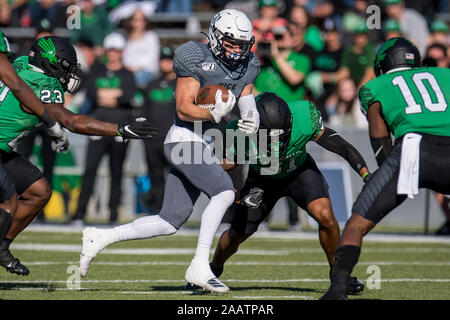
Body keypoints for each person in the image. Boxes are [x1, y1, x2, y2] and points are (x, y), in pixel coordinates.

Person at [78, 9, 261, 293]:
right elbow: (184, 107)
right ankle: (200, 265)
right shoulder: (194, 56)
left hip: (206, 143)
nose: (238, 50)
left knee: (169, 221)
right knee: (225, 191)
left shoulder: (248, 64)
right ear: (214, 36)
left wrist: (252, 116)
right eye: (231, 42)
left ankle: (99, 237)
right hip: (183, 139)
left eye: (242, 44)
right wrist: (213, 112)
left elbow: (247, 96)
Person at [0, 36, 157, 276]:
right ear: (51, 63)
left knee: (38, 191)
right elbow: (73, 121)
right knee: (8, 203)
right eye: (65, 67)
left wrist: (55, 133)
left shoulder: (20, 62)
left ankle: (2, 245)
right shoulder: (44, 85)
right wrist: (120, 129)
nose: (68, 75)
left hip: (4, 149)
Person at [321, 37, 450, 300]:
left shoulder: (374, 87)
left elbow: (381, 142)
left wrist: (385, 179)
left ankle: (338, 288)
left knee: (356, 224)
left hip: (414, 150)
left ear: (382, 65)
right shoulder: (444, 75)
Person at [209, 92, 369, 294]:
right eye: (271, 136)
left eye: (282, 134)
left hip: (299, 172)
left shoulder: (303, 115)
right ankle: (212, 270)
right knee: (236, 235)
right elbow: (216, 172)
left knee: (326, 216)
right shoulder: (239, 132)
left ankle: (340, 276)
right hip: (262, 181)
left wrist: (365, 174)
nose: (278, 141)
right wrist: (237, 195)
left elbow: (339, 145)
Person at [70, 32, 137, 226]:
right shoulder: (97, 71)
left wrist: (108, 96)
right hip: (97, 129)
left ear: (122, 51)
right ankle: (79, 214)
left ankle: (113, 214)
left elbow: (127, 96)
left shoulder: (127, 73)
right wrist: (114, 95)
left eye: (116, 50)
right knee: (89, 171)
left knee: (117, 172)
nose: (113, 54)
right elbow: (92, 93)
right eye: (111, 50)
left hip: (119, 129)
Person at [140, 46, 176, 213]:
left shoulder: (181, 84)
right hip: (153, 139)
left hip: (174, 139)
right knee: (155, 178)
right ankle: (157, 212)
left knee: (176, 179)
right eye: (164, 60)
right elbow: (144, 111)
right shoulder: (151, 85)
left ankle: (174, 212)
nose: (166, 63)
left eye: (169, 60)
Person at [254, 24, 311, 102]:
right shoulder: (265, 61)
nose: (277, 39)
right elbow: (255, 89)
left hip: (291, 110)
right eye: (274, 36)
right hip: (267, 110)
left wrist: (276, 55)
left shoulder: (302, 59)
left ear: (292, 40)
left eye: (280, 36)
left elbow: (294, 79)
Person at [122, 9, 160, 88]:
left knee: (135, 78)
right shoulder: (126, 38)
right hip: (129, 72)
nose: (138, 23)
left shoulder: (151, 37)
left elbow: (151, 61)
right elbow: (125, 60)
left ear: (145, 22)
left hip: (147, 72)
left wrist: (136, 68)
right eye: (135, 20)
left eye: (140, 20)